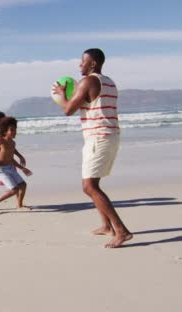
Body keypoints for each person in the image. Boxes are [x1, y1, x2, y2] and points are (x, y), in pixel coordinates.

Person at [52, 48, 132, 248]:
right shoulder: (109, 82)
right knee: (94, 184)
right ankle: (106, 226)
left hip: (99, 138)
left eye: (82, 61)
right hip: (110, 136)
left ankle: (121, 230)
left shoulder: (87, 81)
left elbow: (68, 109)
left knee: (89, 187)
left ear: (93, 63)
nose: (80, 65)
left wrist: (62, 95)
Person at [0, 116, 33, 214]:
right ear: (5, 131)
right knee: (14, 189)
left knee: (23, 185)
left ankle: (19, 205)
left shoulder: (13, 143)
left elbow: (11, 159)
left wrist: (22, 168)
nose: (14, 132)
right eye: (11, 130)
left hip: (10, 167)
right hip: (1, 169)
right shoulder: (1, 141)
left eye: (15, 130)